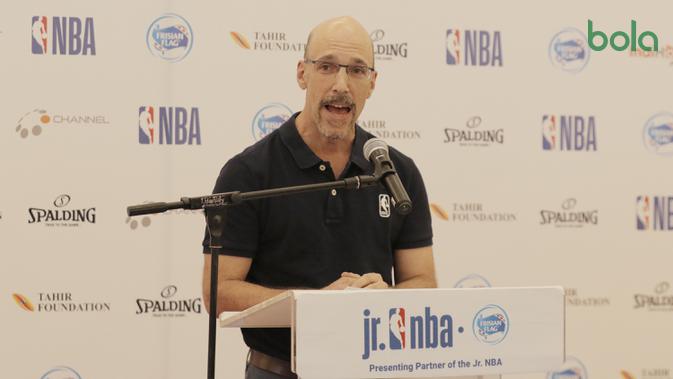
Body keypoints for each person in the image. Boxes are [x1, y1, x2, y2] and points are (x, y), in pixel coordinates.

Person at [202, 16, 436, 379]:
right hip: (279, 371)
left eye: (357, 71)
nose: (341, 84)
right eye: (326, 66)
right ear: (302, 74)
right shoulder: (249, 172)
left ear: (372, 83)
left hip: (375, 368)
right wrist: (314, 304)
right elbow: (218, 292)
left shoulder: (397, 172)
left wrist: (388, 297)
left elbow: (422, 280)